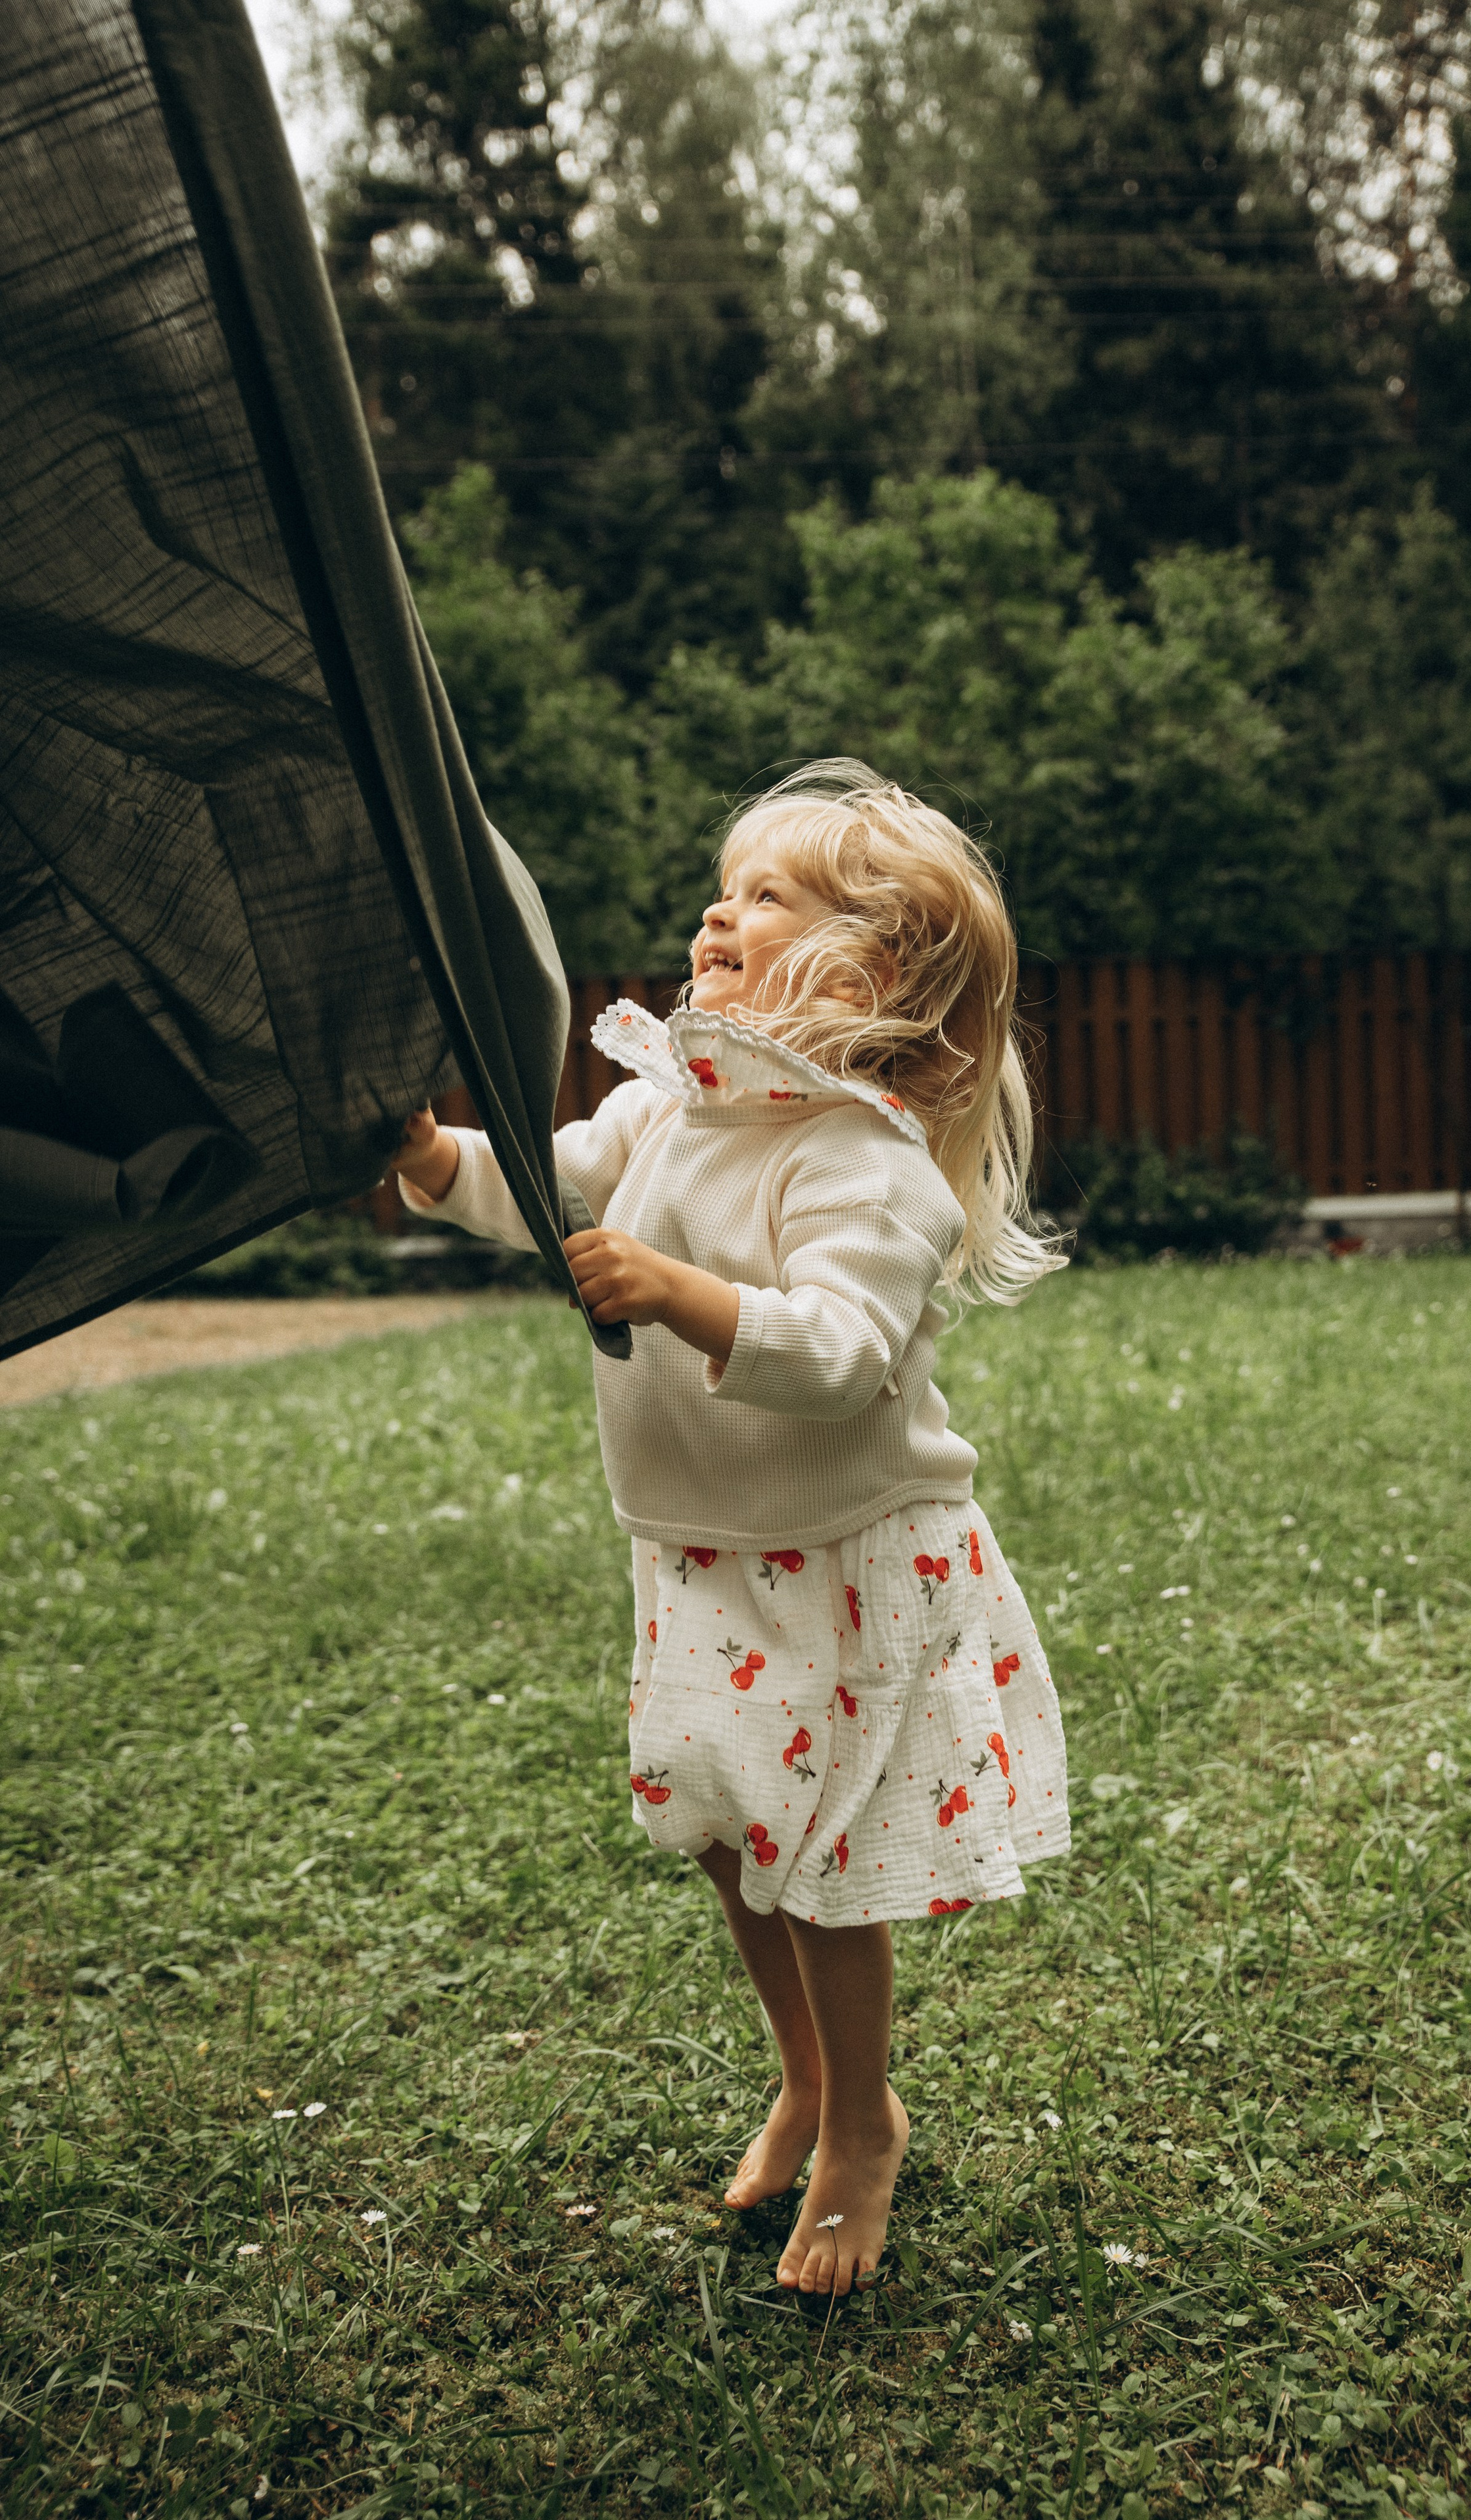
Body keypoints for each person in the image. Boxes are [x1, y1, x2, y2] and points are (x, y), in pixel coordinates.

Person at [392, 761, 1069, 2296]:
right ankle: (813, 2077)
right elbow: (552, 1177)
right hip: (699, 1549)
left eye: (768, 894)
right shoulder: (672, 1102)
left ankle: (863, 2129)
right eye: (724, 881)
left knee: (819, 1862)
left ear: (872, 969)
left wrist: (673, 1290)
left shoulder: (864, 1159)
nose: (720, 908)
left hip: (838, 1563)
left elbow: (836, 1352)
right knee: (729, 1840)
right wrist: (444, 1165)